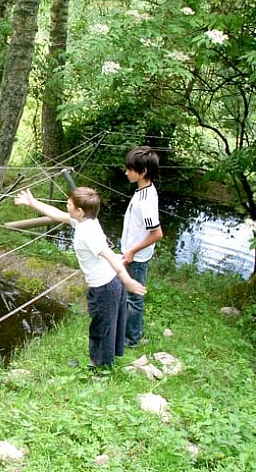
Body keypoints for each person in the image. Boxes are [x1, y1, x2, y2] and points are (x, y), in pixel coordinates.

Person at [14, 186, 146, 368]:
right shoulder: (86, 221)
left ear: (79, 211)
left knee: (100, 328)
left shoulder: (87, 233)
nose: (66, 205)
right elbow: (57, 215)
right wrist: (33, 202)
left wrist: (128, 280)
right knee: (108, 324)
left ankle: (100, 368)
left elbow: (110, 257)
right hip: (110, 283)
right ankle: (106, 361)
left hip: (105, 287)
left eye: (68, 204)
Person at [121, 146, 163, 347]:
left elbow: (157, 233)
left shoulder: (146, 200)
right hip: (132, 253)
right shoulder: (143, 191)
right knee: (129, 296)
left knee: (134, 298)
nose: (126, 172)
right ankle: (132, 331)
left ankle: (131, 340)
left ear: (143, 172)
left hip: (136, 257)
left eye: (130, 169)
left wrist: (131, 251)